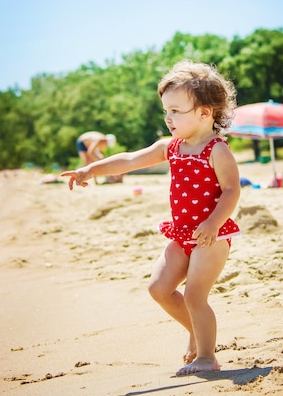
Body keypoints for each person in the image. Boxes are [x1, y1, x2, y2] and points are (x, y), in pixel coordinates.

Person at [61, 61, 241, 376]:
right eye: (165, 111)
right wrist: (91, 169)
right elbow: (130, 160)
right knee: (158, 288)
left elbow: (231, 190)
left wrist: (212, 224)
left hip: (212, 235)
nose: (168, 118)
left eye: (175, 110)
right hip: (181, 233)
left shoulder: (217, 150)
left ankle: (208, 356)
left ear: (204, 113)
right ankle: (197, 332)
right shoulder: (170, 147)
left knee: (196, 294)